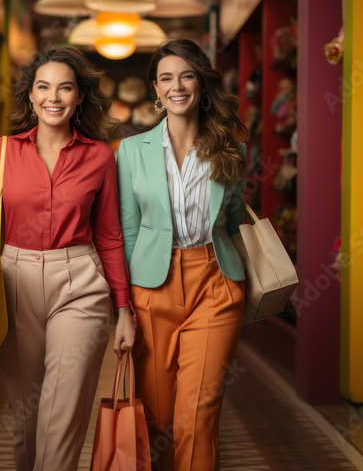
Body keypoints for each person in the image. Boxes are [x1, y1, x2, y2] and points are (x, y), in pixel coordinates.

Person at [0, 47, 137, 471]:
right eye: (43, 86)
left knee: (65, 408)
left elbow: (110, 236)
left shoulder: (100, 157)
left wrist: (123, 309)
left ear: (79, 98)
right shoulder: (3, 152)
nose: (53, 97)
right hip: (13, 279)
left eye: (65, 87)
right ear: (31, 95)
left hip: (79, 282)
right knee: (28, 411)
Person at [116, 39, 248, 471]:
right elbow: (129, 232)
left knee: (198, 414)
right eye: (166, 78)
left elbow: (233, 222)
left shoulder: (231, 149)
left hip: (215, 282)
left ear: (202, 85)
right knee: (157, 418)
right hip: (151, 288)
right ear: (155, 89)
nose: (177, 86)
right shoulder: (132, 152)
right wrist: (125, 305)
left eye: (187, 75)